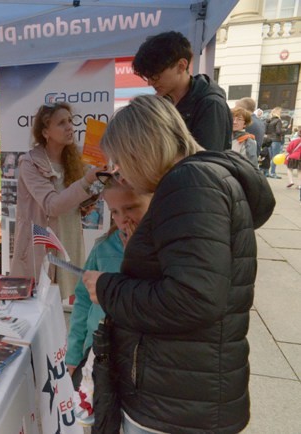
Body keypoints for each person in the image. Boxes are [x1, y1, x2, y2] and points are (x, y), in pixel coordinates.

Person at [81, 94, 275, 434]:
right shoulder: (205, 179)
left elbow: (191, 299)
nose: (120, 173)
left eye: (121, 162)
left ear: (141, 148)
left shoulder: (190, 184)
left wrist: (107, 288)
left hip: (176, 403)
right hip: (187, 391)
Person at [66, 175, 152, 425]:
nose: (123, 218)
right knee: (99, 418)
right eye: (114, 211)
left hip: (137, 361)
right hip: (99, 352)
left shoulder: (161, 252)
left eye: (131, 208)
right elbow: (82, 300)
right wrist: (74, 354)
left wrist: (137, 255)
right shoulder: (103, 248)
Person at [10, 102, 99, 301]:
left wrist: (94, 191)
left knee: (60, 301)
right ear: (45, 132)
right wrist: (87, 181)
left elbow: (78, 196)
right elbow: (52, 206)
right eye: (61, 123)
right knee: (36, 303)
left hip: (67, 238)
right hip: (40, 245)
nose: (70, 127)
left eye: (70, 121)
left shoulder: (74, 161)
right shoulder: (29, 163)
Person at [132, 31, 232, 151]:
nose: (150, 82)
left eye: (155, 75)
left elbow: (206, 163)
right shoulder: (162, 103)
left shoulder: (211, 104)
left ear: (181, 65)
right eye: (147, 77)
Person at [265, 107, 284, 178]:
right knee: (275, 157)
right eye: (280, 112)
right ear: (278, 113)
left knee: (269, 157)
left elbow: (266, 131)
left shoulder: (269, 121)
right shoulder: (278, 120)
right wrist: (284, 130)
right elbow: (278, 131)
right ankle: (273, 172)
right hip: (276, 140)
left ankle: (266, 171)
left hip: (269, 140)